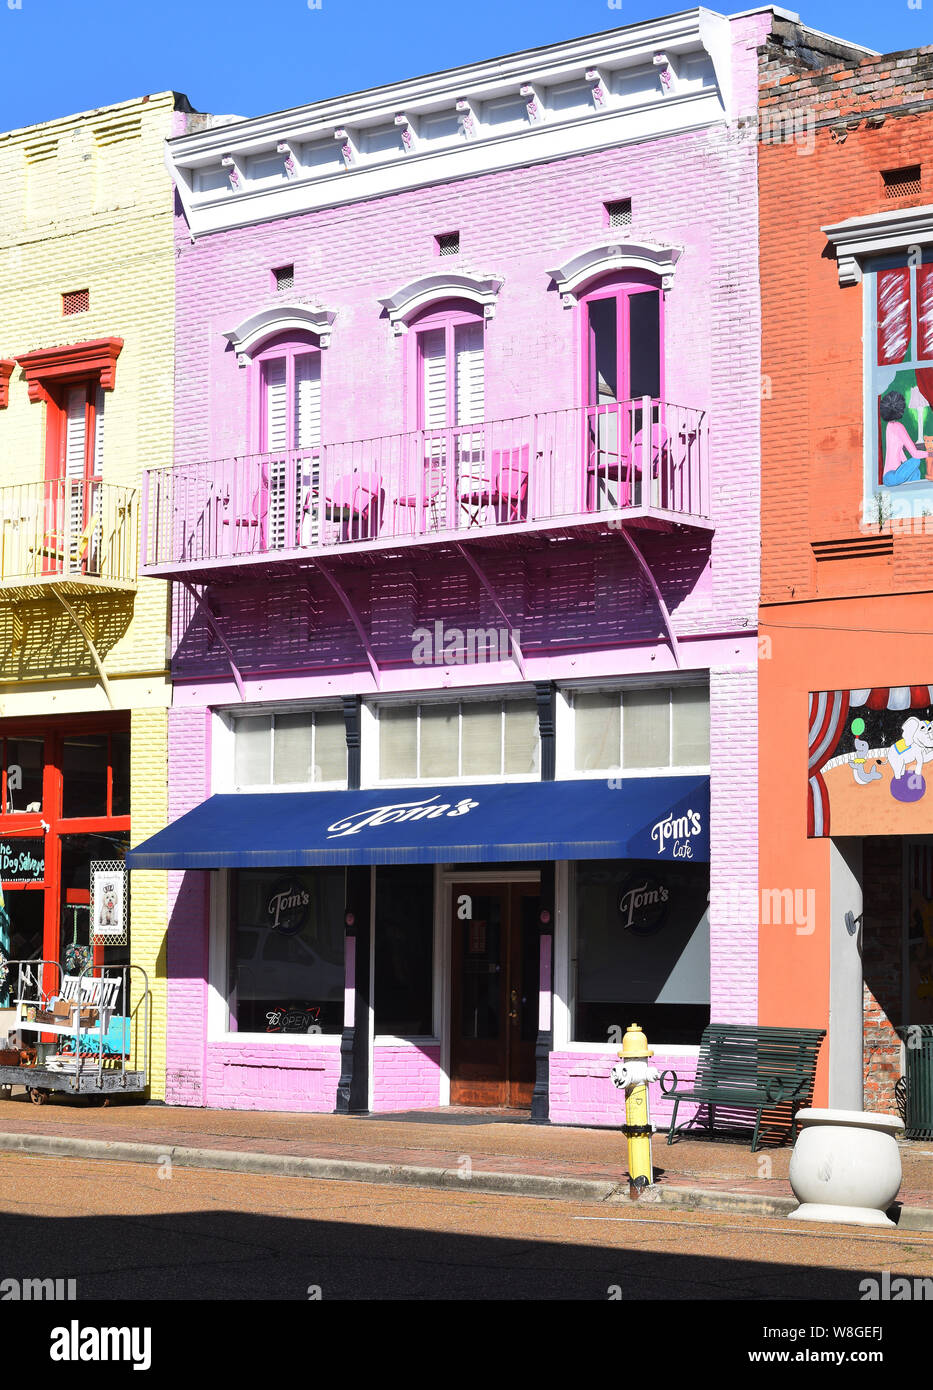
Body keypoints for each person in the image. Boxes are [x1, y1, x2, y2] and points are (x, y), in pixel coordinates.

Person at [881, 390, 927, 484]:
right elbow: (915, 454)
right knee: (916, 461)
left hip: (887, 478)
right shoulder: (899, 427)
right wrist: (930, 453)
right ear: (901, 408)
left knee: (916, 472)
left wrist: (907, 464)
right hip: (893, 476)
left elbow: (899, 451)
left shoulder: (889, 426)